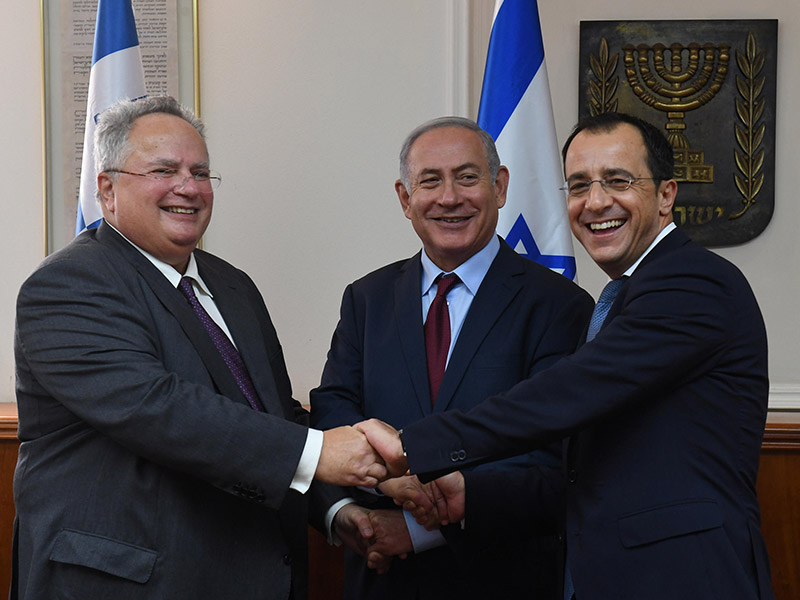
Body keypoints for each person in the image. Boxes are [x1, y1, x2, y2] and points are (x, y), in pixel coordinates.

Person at [358, 112, 775, 600]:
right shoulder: (625, 298)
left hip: (684, 578)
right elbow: (592, 466)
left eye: (617, 181)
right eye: (578, 186)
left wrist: (409, 447)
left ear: (666, 194)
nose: (595, 203)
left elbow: (564, 396)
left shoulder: (693, 283)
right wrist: (473, 493)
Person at [11, 96, 386, 599]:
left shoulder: (233, 287)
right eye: (164, 169)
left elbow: (274, 416)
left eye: (200, 171)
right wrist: (319, 453)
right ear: (107, 188)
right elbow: (158, 409)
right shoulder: (68, 284)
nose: (188, 187)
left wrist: (337, 508)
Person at [311, 116, 593, 599]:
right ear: (405, 198)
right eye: (430, 181)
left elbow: (553, 458)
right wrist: (373, 496)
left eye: (467, 177)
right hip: (382, 581)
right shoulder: (367, 299)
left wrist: (421, 528)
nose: (449, 198)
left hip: (501, 578)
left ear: (499, 187)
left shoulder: (559, 306)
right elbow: (335, 409)